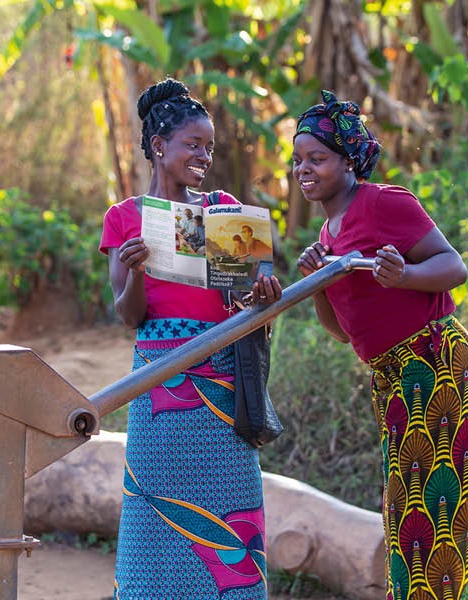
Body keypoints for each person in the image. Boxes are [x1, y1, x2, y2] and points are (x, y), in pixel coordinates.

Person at [293, 90, 468, 597]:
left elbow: (454, 266)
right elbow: (343, 331)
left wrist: (405, 274)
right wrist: (319, 281)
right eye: (298, 160)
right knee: (408, 507)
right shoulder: (328, 234)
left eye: (317, 158)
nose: (304, 169)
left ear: (348, 162)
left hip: (434, 361)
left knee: (447, 502)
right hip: (392, 377)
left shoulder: (385, 203)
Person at [100, 78, 282, 598]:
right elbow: (129, 317)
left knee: (229, 505)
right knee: (156, 506)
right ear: (160, 146)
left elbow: (242, 304)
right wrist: (136, 272)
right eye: (193, 145)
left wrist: (262, 295)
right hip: (160, 385)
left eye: (209, 147)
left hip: (222, 381)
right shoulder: (125, 218)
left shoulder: (222, 209)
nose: (204, 155)